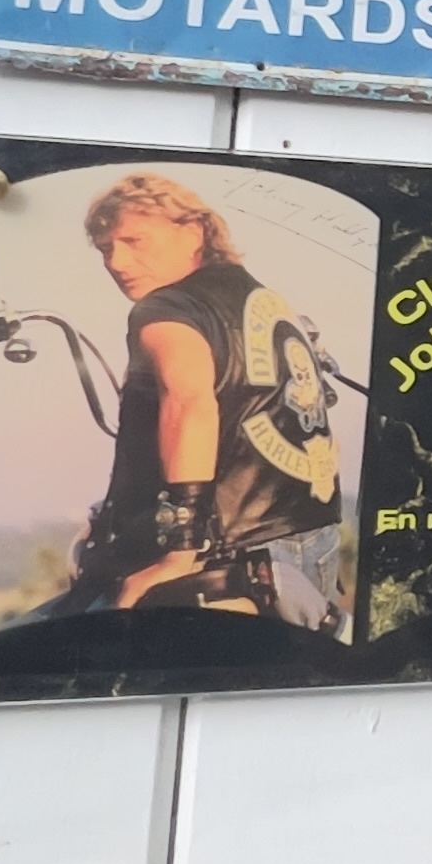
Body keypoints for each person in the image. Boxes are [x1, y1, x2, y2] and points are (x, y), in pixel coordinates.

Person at [61, 172, 342, 616]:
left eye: (134, 241)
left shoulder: (164, 309)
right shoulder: (267, 302)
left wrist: (179, 552)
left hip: (222, 563)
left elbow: (189, 406)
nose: (117, 261)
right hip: (310, 542)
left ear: (193, 232)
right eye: (105, 249)